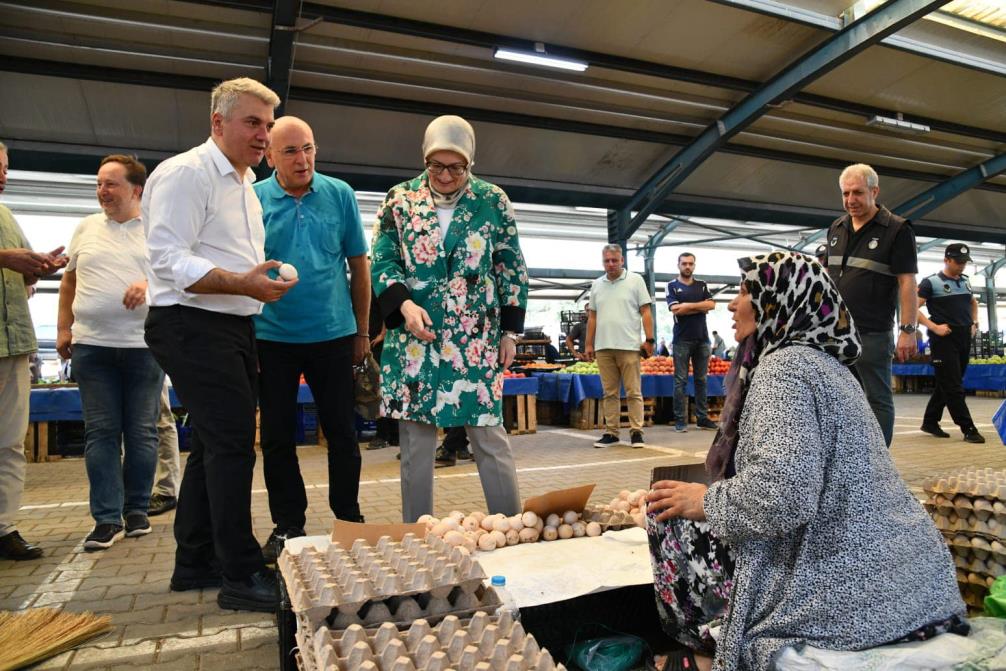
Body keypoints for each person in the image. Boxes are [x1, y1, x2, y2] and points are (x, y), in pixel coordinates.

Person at [645, 251, 965, 671]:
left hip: (847, 596)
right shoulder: (829, 365)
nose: (731, 304)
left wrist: (705, 501)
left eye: (745, 291)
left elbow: (785, 495)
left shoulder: (782, 371)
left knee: (671, 517)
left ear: (777, 301)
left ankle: (707, 648)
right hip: (911, 584)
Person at [143, 77, 293, 612]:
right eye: (253, 122)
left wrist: (257, 285)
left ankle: (195, 560)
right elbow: (166, 259)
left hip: (227, 325)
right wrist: (242, 283)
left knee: (212, 446)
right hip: (190, 322)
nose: (263, 135)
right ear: (218, 123)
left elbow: (228, 264)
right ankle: (241, 573)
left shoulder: (244, 185)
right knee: (231, 445)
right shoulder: (187, 174)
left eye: (268, 125)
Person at [371, 115, 527, 522]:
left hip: (474, 339)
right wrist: (403, 305)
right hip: (415, 337)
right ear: (424, 160)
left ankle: (512, 529)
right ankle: (418, 539)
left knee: (488, 436)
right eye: (435, 165)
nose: (444, 175)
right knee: (416, 443)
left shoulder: (492, 201)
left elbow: (511, 267)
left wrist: (510, 331)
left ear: (469, 164)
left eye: (455, 167)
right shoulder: (399, 200)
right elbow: (384, 259)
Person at [252, 116, 370, 563]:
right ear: (268, 157)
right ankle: (288, 524)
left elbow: (359, 266)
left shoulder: (339, 194)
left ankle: (349, 518)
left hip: (334, 334)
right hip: (271, 337)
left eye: (309, 148)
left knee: (342, 431)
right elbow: (244, 268)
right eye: (290, 152)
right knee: (278, 436)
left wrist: (361, 330)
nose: (302, 160)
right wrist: (249, 334)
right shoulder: (253, 198)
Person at [57, 154, 163, 551]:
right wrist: (64, 327)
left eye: (111, 184)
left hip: (143, 348)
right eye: (99, 183)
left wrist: (148, 284)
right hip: (92, 347)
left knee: (141, 433)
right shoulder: (85, 228)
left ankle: (136, 510)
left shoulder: (156, 229)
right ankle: (106, 519)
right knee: (100, 433)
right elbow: (69, 282)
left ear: (136, 190)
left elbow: (175, 277)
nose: (102, 191)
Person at [0, 141, 67, 560]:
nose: (3, 174)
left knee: (9, 442)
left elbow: (23, 272)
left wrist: (41, 265)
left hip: (14, 342)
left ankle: (3, 527)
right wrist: (7, 257)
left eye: (5, 167)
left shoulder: (6, 215)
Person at [827, 163, 918, 446]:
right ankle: (849, 459)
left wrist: (908, 329)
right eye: (845, 193)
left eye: (858, 192)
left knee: (877, 398)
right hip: (836, 332)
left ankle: (878, 466)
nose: (851, 200)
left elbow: (907, 283)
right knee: (842, 398)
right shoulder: (837, 227)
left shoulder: (897, 229)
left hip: (873, 333)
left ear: (874, 191)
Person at [586, 244, 654, 448]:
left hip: (629, 345)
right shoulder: (597, 284)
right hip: (603, 346)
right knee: (609, 393)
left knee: (634, 391)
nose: (611, 264)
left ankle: (636, 432)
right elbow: (592, 317)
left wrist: (649, 339)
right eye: (607, 260)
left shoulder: (635, 280)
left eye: (614, 260)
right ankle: (612, 433)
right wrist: (589, 344)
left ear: (622, 260)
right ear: (602, 262)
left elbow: (646, 312)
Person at [917, 243, 984, 443]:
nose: (962, 266)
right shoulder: (931, 283)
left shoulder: (965, 281)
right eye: (958, 262)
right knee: (954, 385)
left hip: (964, 337)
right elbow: (912, 307)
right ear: (946, 260)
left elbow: (972, 302)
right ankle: (968, 428)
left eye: (964, 262)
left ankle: (930, 421)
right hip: (943, 339)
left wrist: (974, 322)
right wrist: (934, 327)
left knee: (948, 382)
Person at [667, 252, 717, 433]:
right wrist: (699, 306)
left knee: (701, 380)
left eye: (690, 264)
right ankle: (680, 420)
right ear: (678, 265)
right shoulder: (672, 286)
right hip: (681, 340)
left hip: (702, 339)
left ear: (694, 265)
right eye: (684, 263)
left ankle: (702, 418)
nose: (687, 266)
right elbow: (675, 310)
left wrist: (686, 306)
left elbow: (712, 305)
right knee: (680, 381)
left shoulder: (702, 285)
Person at [148, 381, 180, 516]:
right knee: (129, 425)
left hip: (148, 362)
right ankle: (134, 493)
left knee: (160, 417)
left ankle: (167, 491)